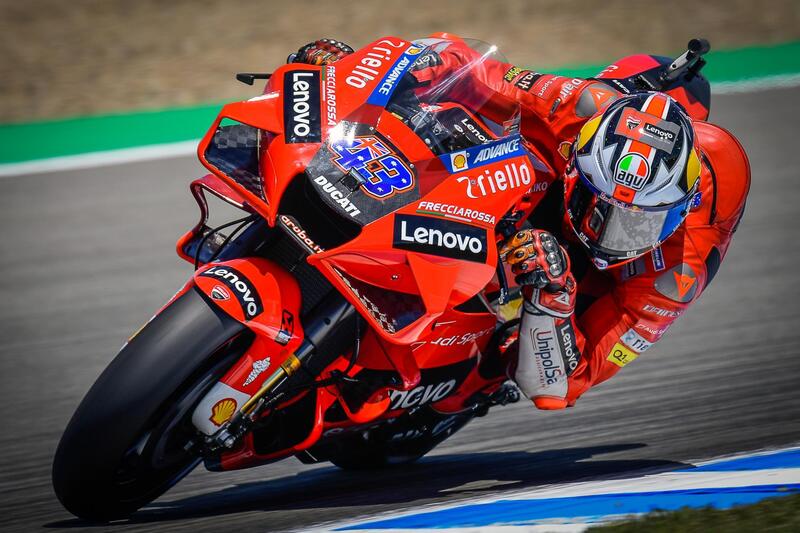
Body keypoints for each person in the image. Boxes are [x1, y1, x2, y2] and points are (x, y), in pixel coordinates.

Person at [291, 37, 751, 410]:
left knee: (517, 346)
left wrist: (555, 296)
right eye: (600, 209)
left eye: (636, 223)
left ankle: (469, 364)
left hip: (589, 282)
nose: (610, 234)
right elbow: (477, 70)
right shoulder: (582, 104)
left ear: (681, 205)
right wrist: (364, 71)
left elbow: (560, 388)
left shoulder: (678, 271)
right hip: (535, 182)